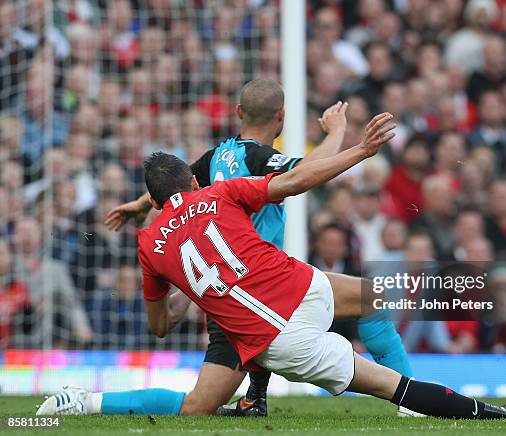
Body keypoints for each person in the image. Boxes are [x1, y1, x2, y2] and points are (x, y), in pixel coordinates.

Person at [38, 119, 506, 420]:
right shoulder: (220, 190)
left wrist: (186, 291)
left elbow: (159, 327)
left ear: (153, 198)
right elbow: (297, 181)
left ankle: (82, 402)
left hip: (267, 336)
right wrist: (358, 149)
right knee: (382, 297)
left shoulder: (149, 247)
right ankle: (502, 307)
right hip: (297, 290)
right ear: (193, 179)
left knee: (196, 408)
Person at [97, 79, 412, 417]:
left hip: (226, 294)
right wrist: (336, 133)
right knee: (369, 299)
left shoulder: (217, 156)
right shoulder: (259, 158)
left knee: (198, 406)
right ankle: (411, 397)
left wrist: (143, 204)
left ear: (238, 112)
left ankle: (253, 399)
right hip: (260, 290)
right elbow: (302, 174)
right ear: (282, 116)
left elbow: (176, 185)